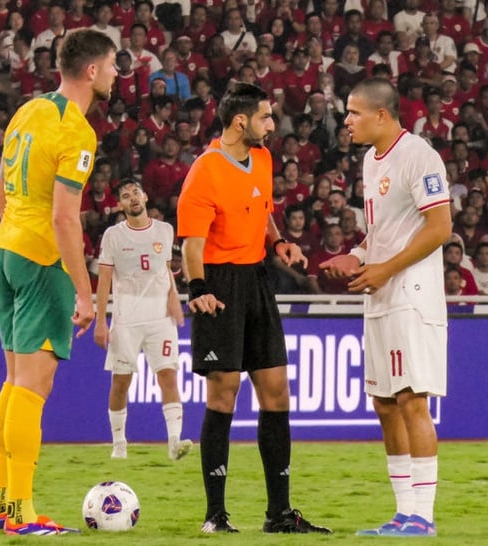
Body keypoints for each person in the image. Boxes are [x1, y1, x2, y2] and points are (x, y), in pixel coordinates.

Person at [0, 29, 116, 536]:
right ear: (92, 70)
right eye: (114, 65)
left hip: (6, 251)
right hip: (40, 260)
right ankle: (22, 513)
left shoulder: (29, 110)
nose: (118, 74)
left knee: (14, 383)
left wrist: (15, 231)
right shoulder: (77, 131)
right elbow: (65, 219)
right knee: (34, 388)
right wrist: (83, 291)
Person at [177, 82, 330, 535]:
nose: (272, 123)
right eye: (266, 116)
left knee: (276, 392)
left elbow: (262, 209)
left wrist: (279, 241)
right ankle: (215, 515)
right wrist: (198, 287)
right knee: (223, 394)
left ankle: (279, 513)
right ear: (241, 121)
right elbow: (192, 244)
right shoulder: (204, 170)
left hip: (257, 278)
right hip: (219, 283)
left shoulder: (261, 158)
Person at [320, 78, 452, 537]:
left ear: (381, 114)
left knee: (411, 399)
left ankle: (424, 516)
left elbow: (440, 227)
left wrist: (385, 269)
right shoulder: (369, 161)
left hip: (411, 295)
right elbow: (384, 231)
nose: (347, 121)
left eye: (354, 113)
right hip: (380, 292)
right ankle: (403, 512)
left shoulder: (419, 155)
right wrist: (357, 257)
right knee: (383, 403)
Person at [93, 179, 192, 461]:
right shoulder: (113, 236)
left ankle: (174, 442)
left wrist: (174, 299)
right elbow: (104, 281)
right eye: (125, 196)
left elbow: (167, 271)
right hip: (126, 317)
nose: (132, 198)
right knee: (121, 382)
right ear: (120, 205)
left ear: (145, 196)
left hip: (160, 317)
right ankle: (119, 443)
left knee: (169, 375)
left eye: (136, 192)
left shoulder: (165, 230)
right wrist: (101, 321)